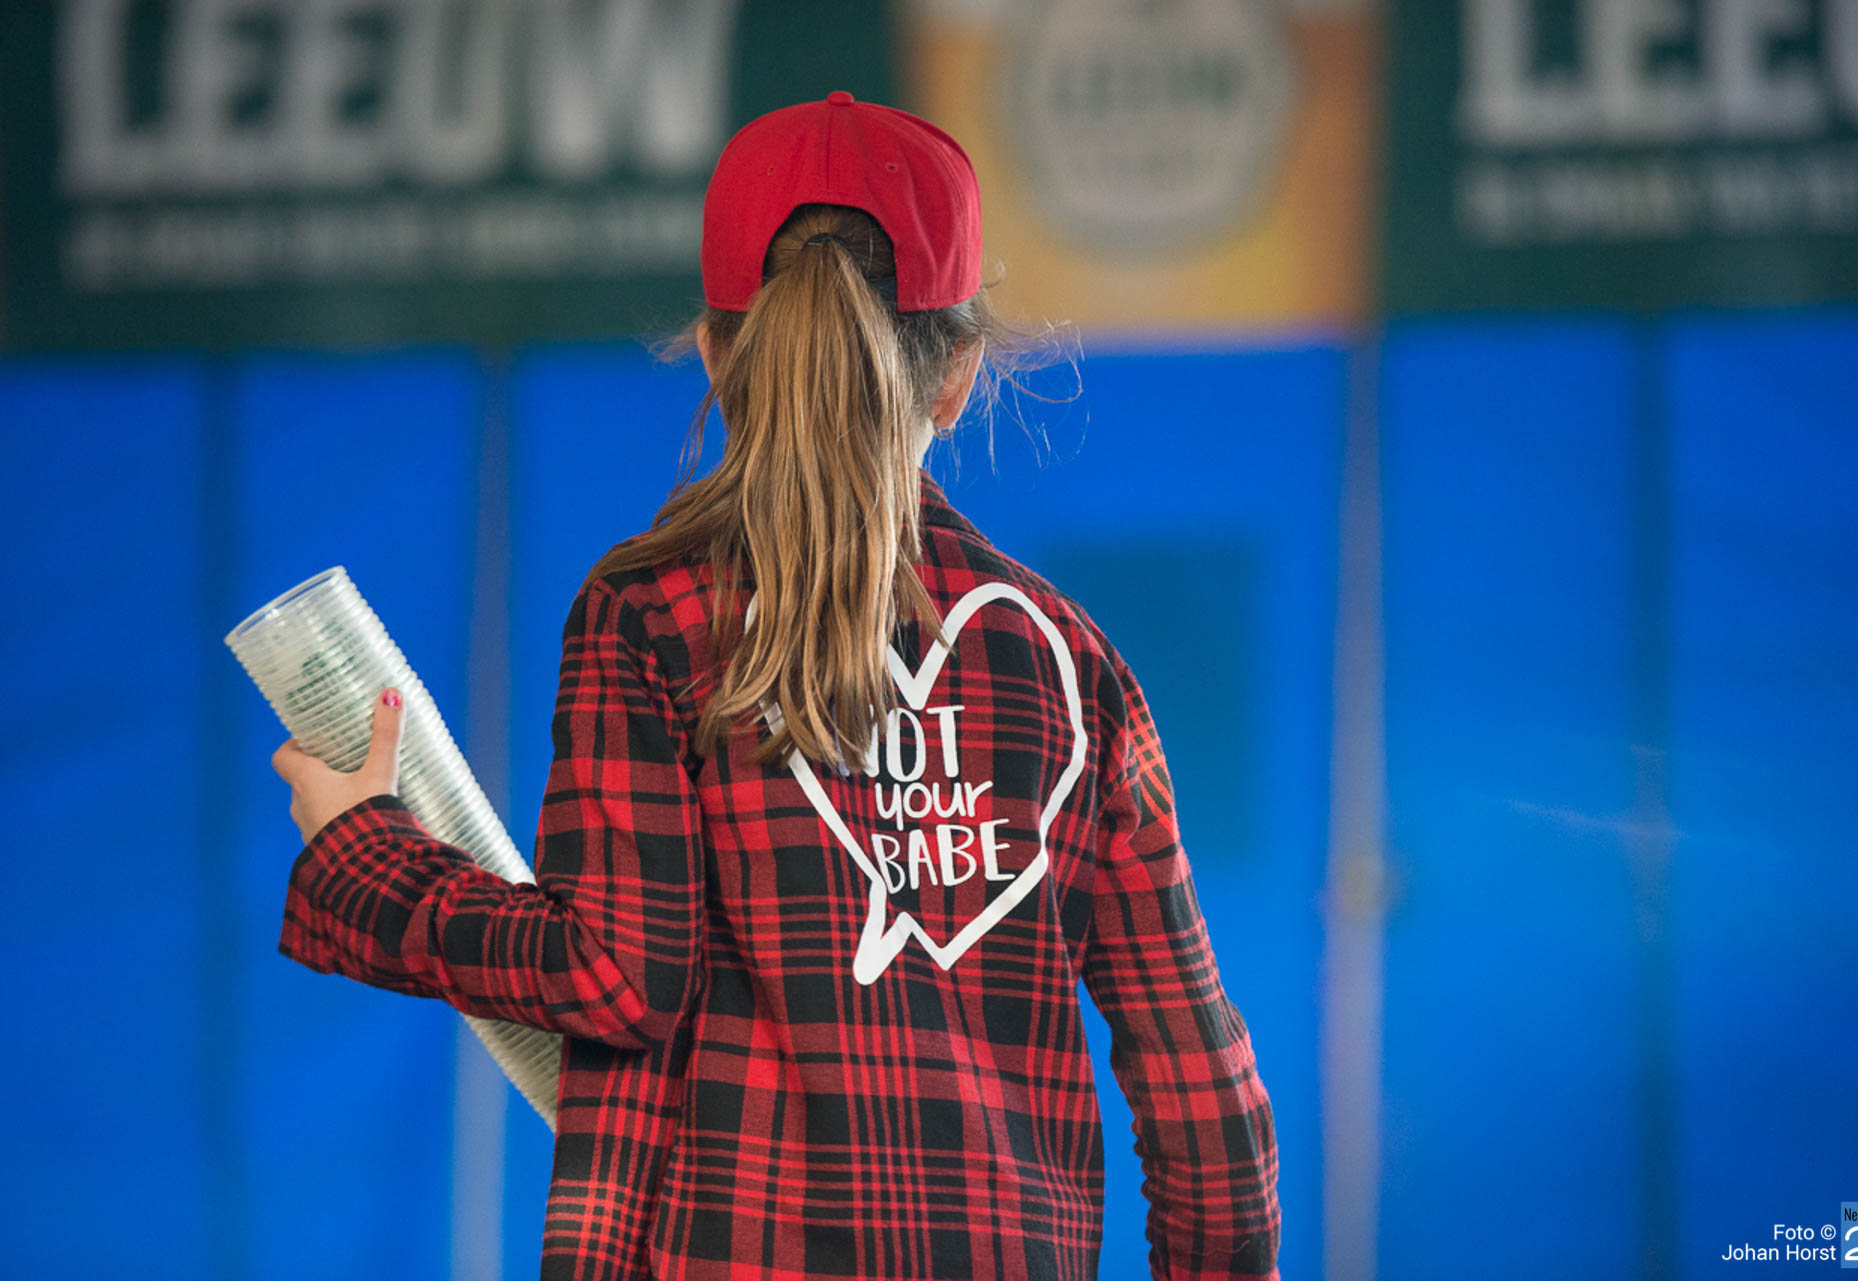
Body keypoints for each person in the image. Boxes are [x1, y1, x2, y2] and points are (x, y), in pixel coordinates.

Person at [271, 90, 1281, 1281]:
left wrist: (367, 859)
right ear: (959, 374)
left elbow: (617, 976)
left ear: (714, 350)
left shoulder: (650, 614)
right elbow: (1200, 1086)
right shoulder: (1069, 664)